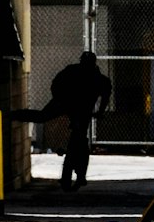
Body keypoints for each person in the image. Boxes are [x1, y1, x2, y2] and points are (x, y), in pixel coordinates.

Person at [14, 51, 111, 191]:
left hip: (73, 107)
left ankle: (16, 115)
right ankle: (79, 174)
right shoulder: (97, 78)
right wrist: (99, 113)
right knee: (78, 137)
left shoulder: (80, 73)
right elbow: (105, 97)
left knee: (45, 118)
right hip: (70, 105)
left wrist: (60, 99)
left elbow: (56, 84)